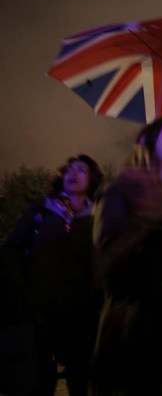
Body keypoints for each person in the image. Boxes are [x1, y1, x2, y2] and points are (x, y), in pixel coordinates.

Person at [91, 116, 162, 395]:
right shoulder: (119, 191)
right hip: (130, 326)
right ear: (148, 142)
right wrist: (148, 226)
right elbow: (104, 259)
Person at [0, 154, 104, 396]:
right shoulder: (42, 210)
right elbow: (11, 248)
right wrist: (21, 289)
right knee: (40, 380)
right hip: (40, 310)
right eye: (69, 169)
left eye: (81, 170)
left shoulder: (98, 217)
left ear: (92, 180)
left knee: (80, 379)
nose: (73, 173)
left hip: (81, 313)